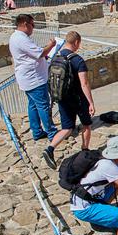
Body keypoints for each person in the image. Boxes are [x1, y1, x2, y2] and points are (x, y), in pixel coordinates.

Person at [42, 31, 96, 169]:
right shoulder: (78, 60)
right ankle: (85, 150)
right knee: (86, 124)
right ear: (76, 42)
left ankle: (50, 149)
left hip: (62, 97)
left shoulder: (56, 57)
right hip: (78, 98)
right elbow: (84, 83)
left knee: (67, 128)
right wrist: (90, 102)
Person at [9, 14, 58, 142]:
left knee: (33, 106)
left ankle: (36, 131)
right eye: (32, 24)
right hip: (35, 79)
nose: (33, 28)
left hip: (28, 79)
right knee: (43, 106)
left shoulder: (16, 37)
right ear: (25, 24)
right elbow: (40, 53)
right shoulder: (21, 39)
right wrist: (51, 45)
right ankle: (52, 133)